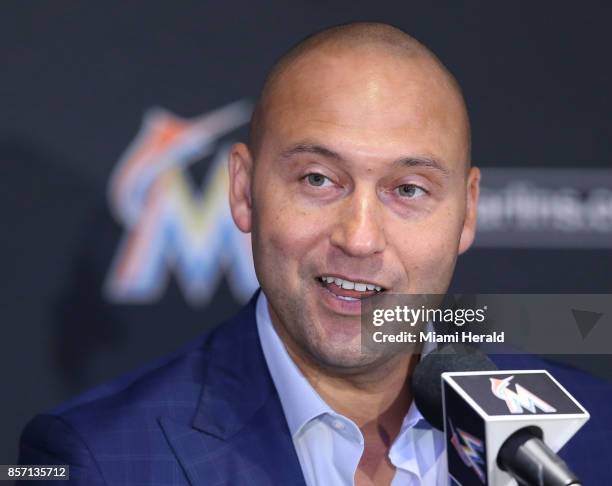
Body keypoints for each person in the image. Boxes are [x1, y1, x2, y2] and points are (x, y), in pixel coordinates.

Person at [18, 22, 612, 485]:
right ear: (244, 191)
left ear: (468, 211)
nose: (358, 237)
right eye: (318, 180)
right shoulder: (98, 459)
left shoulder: (591, 435)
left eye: (408, 190)